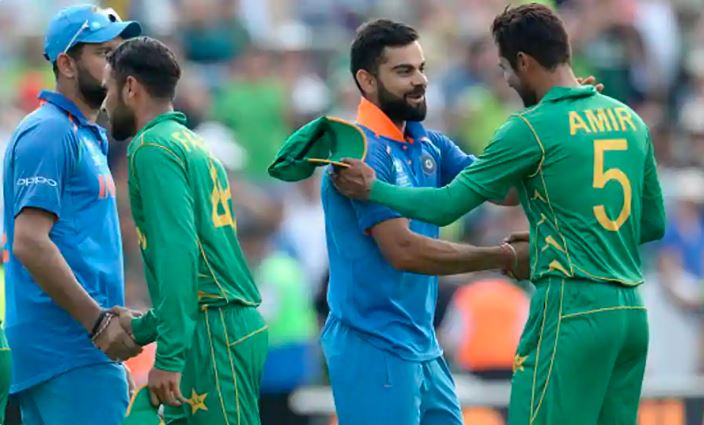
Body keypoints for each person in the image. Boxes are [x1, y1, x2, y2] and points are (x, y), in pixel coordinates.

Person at [332, 4, 666, 425]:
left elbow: (455, 201)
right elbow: (653, 224)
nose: (506, 81)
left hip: (569, 308)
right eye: (405, 71)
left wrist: (375, 190)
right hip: (631, 313)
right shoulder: (628, 119)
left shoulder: (527, 128)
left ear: (523, 62)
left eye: (506, 69)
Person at [317, 19, 530, 425]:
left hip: (421, 342)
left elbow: (506, 190)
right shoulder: (359, 150)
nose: (420, 81)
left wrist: (560, 112)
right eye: (403, 71)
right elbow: (404, 251)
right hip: (372, 342)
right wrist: (501, 257)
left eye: (421, 68)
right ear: (366, 80)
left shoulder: (427, 141)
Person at [101, 37, 268, 425]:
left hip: (214, 332)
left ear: (130, 87)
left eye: (110, 88)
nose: (105, 103)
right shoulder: (193, 143)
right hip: (221, 325)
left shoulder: (152, 148)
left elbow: (180, 254)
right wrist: (144, 327)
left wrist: (169, 357)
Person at [2, 5, 142, 424]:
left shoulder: (83, 133)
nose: (116, 67)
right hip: (70, 347)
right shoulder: (50, 131)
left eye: (119, 54)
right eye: (103, 54)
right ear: (66, 63)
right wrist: (98, 326)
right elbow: (30, 241)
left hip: (80, 352)